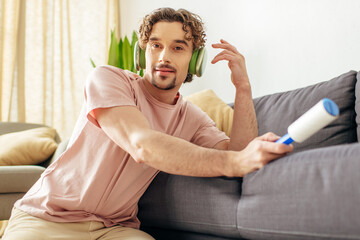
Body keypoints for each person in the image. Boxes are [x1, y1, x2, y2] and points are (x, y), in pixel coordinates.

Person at [3, 7, 292, 240]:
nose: (164, 57)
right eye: (156, 45)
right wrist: (235, 162)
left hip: (112, 229)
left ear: (195, 61)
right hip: (46, 218)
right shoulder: (108, 79)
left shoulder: (191, 118)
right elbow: (141, 144)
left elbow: (239, 155)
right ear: (143, 52)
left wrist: (243, 88)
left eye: (178, 47)